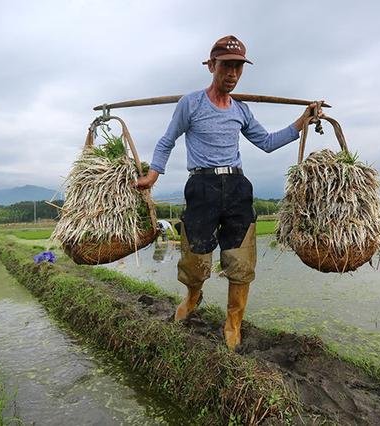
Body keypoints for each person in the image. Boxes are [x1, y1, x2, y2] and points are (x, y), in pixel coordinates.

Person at [136, 35, 322, 350]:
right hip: (202, 186)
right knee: (195, 258)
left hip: (236, 186)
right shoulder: (191, 103)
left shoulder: (242, 111)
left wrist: (301, 123)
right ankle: (193, 295)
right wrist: (154, 173)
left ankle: (233, 323)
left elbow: (266, 142)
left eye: (238, 67)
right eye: (226, 66)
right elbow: (167, 140)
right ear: (212, 66)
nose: (233, 74)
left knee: (241, 261)